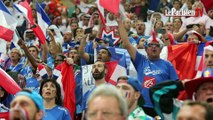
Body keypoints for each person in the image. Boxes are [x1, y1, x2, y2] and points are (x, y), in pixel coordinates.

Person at [117, 16, 179, 117]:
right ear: (146, 49)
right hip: (143, 106)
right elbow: (127, 43)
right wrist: (119, 22)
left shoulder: (167, 64)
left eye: (156, 45)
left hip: (161, 107)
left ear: (160, 49)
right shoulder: (141, 60)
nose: (154, 47)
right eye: (150, 45)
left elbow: (175, 85)